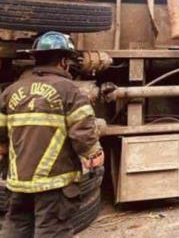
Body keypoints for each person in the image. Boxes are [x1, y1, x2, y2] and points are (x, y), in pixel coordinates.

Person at [0, 32, 103, 238]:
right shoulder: (69, 90)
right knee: (51, 230)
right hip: (54, 182)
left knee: (17, 227)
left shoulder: (11, 91)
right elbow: (82, 131)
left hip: (19, 180)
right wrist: (94, 153)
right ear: (64, 62)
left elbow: (1, 139)